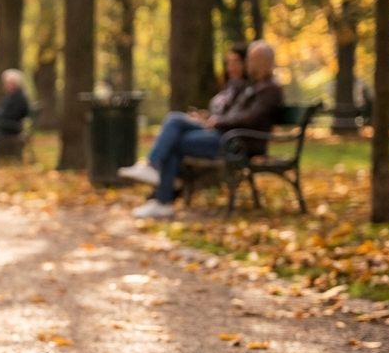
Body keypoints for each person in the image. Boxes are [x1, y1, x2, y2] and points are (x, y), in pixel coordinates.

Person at [120, 40, 285, 219]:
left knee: (176, 138)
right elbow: (233, 113)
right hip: (227, 135)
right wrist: (208, 118)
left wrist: (218, 122)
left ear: (266, 61)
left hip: (238, 142)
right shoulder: (250, 86)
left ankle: (162, 195)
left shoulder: (270, 89)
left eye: (254, 59)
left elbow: (250, 118)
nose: (249, 63)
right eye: (249, 59)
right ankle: (157, 180)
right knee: (175, 121)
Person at [210, 42, 249, 117]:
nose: (231, 67)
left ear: (245, 63)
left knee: (179, 120)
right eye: (229, 62)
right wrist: (206, 116)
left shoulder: (247, 89)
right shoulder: (229, 86)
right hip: (215, 124)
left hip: (227, 127)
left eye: (236, 61)